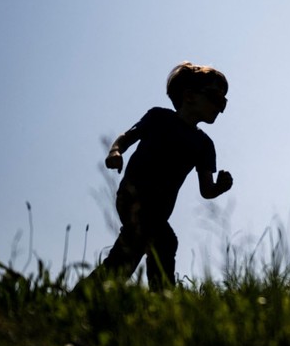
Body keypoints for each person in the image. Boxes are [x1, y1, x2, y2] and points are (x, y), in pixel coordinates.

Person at [74, 61, 233, 293]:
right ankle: (163, 299)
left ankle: (85, 296)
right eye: (214, 97)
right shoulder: (159, 118)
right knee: (165, 241)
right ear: (189, 96)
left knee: (126, 259)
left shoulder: (204, 145)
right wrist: (115, 152)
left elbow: (206, 191)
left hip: (158, 212)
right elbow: (127, 137)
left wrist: (220, 187)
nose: (220, 106)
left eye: (224, 101)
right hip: (133, 198)